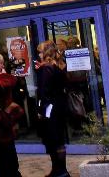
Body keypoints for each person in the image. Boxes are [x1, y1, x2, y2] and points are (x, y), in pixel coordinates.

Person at [35, 41, 70, 177]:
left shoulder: (46, 69)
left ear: (46, 53)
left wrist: (40, 110)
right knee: (59, 140)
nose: (39, 54)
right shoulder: (60, 66)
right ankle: (61, 170)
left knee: (52, 139)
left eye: (40, 52)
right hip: (60, 105)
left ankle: (58, 170)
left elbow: (44, 92)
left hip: (50, 108)